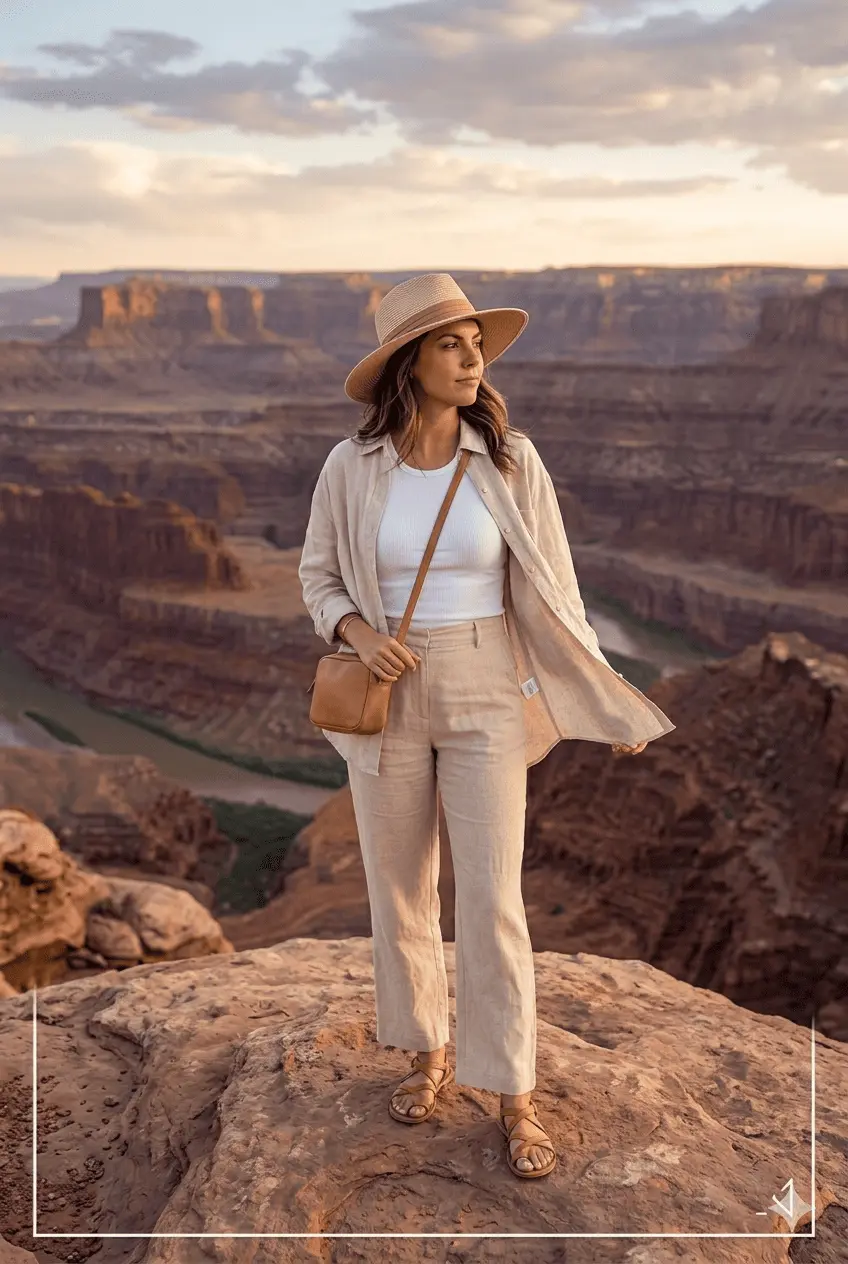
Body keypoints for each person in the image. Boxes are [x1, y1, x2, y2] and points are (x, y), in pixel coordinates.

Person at [298, 273, 675, 1180]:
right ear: (408, 364)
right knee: (399, 890)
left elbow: (558, 587)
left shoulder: (509, 459)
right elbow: (317, 577)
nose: (474, 360)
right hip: (389, 690)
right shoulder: (351, 466)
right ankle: (427, 1058)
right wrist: (359, 632)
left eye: (477, 345)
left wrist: (600, 691)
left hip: (484, 685)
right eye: (452, 345)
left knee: (493, 899)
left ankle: (512, 1094)